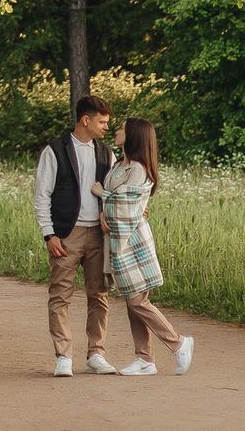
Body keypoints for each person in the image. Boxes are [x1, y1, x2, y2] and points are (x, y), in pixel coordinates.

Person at [99, 117, 195, 378]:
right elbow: (117, 202)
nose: (116, 131)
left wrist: (103, 195)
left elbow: (129, 208)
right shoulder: (120, 165)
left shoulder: (138, 169)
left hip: (133, 242)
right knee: (133, 300)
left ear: (134, 136)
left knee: (138, 300)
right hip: (119, 241)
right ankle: (144, 358)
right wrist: (104, 208)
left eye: (122, 128)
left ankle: (177, 343)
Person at [34, 94, 115, 377]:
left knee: (99, 295)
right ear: (86, 120)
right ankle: (63, 356)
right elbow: (41, 195)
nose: (106, 127)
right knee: (60, 295)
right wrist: (49, 234)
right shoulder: (54, 151)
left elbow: (113, 192)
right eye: (102, 122)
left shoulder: (106, 153)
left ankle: (96, 354)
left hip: (99, 234)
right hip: (66, 234)